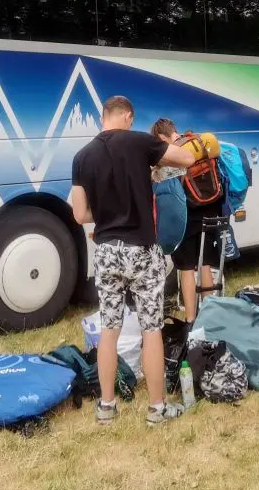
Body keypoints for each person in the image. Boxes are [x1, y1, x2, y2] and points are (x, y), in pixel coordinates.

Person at [72, 96, 197, 426]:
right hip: (141, 249)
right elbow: (185, 158)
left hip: (107, 250)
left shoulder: (82, 157)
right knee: (151, 329)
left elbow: (80, 213)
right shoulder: (142, 142)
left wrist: (109, 211)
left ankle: (106, 407)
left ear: (103, 117)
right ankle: (157, 409)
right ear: (127, 116)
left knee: (109, 330)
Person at [150, 118, 221, 323]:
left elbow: (158, 183)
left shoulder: (173, 154)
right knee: (205, 263)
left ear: (163, 136)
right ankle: (210, 316)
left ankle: (191, 319)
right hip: (209, 210)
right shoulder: (198, 143)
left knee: (186, 268)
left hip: (186, 217)